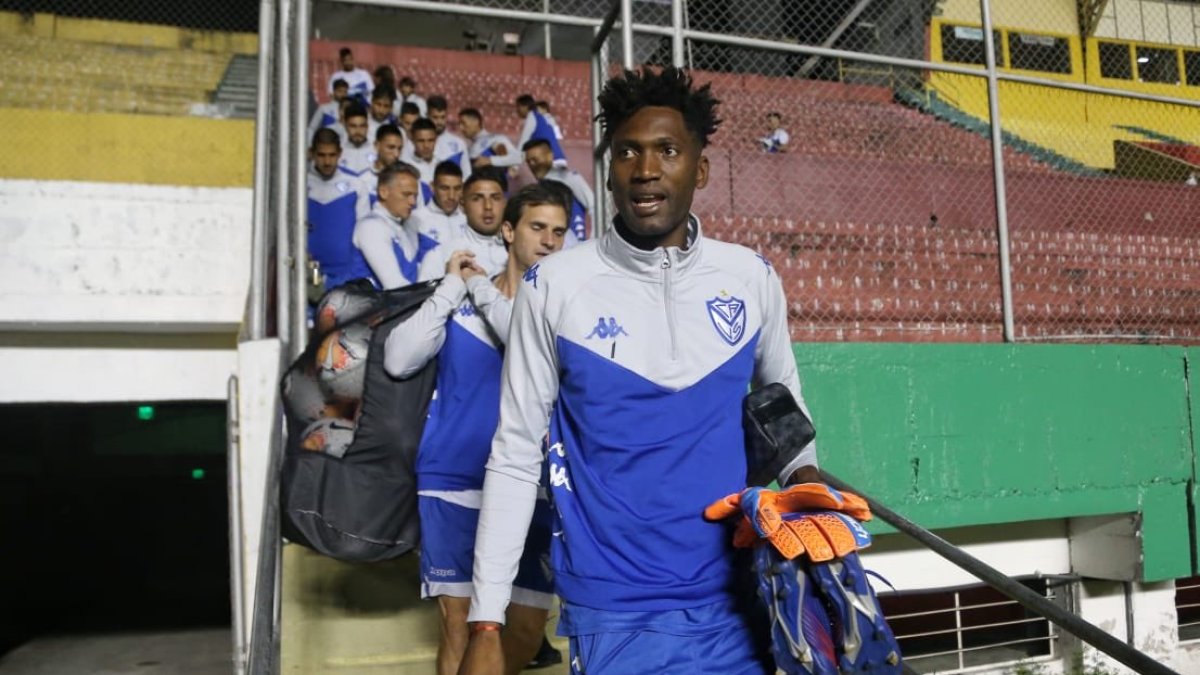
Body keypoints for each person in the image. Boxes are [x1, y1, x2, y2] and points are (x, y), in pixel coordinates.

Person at [458, 66, 821, 675]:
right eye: (628, 152)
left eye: (668, 151)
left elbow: (786, 411)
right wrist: (487, 621)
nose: (646, 169)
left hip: (740, 597)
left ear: (699, 170)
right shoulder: (555, 286)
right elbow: (515, 452)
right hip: (614, 608)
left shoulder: (750, 277)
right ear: (608, 170)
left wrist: (810, 490)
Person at [383, 183, 570, 675]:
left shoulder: (559, 311)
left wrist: (479, 286)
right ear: (508, 231)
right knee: (462, 626)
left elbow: (518, 334)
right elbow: (398, 359)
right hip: (452, 478)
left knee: (527, 632)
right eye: (537, 227)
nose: (549, 241)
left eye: (559, 231)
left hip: (531, 486)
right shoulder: (460, 302)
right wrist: (452, 286)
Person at [352, 162, 441, 289]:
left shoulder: (404, 225)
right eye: (406, 194)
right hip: (374, 307)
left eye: (415, 196)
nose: (413, 202)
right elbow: (395, 286)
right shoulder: (371, 227)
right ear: (383, 192)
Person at [306, 128, 371, 292]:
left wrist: (353, 273)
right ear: (311, 153)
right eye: (321, 155)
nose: (327, 162)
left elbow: (364, 234)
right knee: (313, 307)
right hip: (311, 270)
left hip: (345, 274)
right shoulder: (299, 184)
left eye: (332, 155)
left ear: (340, 153)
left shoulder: (356, 185)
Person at [439, 167, 511, 276]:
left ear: (505, 204)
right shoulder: (442, 255)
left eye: (495, 198)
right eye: (477, 199)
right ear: (462, 205)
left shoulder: (521, 253)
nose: (488, 206)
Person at [523, 139, 593, 243]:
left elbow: (594, 206)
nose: (532, 164)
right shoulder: (538, 188)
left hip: (575, 244)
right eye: (529, 162)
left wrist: (593, 240)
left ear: (549, 156)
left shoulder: (569, 178)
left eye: (535, 159)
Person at [410, 160, 469, 245]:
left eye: (457, 188)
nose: (451, 196)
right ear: (432, 187)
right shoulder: (416, 219)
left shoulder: (468, 220)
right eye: (445, 188)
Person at [516, 93, 566, 167]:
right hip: (560, 159)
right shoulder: (546, 118)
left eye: (518, 107)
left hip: (549, 162)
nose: (517, 110)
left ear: (525, 107)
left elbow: (523, 143)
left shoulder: (532, 116)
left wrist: (515, 166)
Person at [428, 95, 472, 177]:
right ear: (427, 115)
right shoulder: (415, 143)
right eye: (435, 117)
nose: (439, 122)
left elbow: (467, 175)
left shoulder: (459, 143)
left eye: (442, 117)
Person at [362, 124, 406, 206]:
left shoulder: (408, 179)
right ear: (376, 145)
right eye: (391, 147)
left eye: (399, 148)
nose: (396, 154)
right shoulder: (362, 180)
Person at [409, 118, 441, 206]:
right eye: (421, 141)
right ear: (412, 139)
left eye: (430, 140)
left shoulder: (443, 166)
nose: (426, 146)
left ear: (436, 139)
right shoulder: (405, 168)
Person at [337, 102, 375, 177]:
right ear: (345, 125)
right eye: (353, 126)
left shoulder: (377, 149)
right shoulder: (337, 149)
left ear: (367, 126)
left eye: (362, 126)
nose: (358, 131)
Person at [308, 77, 349, 141]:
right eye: (340, 91)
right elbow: (312, 128)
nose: (343, 94)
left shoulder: (350, 109)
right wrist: (310, 144)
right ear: (334, 91)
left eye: (345, 92)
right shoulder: (324, 109)